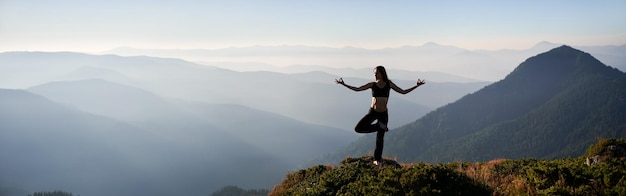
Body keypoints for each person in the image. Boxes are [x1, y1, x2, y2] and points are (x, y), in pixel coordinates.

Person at [335, 66, 425, 166]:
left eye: (377, 73)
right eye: (374, 73)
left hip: (383, 114)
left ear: (382, 73)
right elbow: (357, 89)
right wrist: (343, 84)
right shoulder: (372, 85)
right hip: (372, 112)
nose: (375, 74)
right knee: (358, 128)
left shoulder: (388, 84)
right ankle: (378, 126)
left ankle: (377, 159)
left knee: (380, 138)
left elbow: (403, 91)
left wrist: (416, 86)